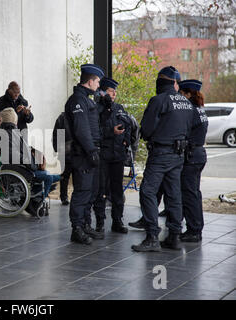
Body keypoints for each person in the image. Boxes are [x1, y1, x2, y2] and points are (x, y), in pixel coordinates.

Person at [131, 66, 194, 252]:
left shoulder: (158, 100)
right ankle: (174, 237)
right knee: (174, 195)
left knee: (148, 192)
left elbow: (147, 129)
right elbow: (190, 128)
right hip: (178, 155)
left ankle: (152, 236)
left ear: (161, 82)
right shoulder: (185, 102)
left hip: (160, 153)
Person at [65, 64, 105, 245]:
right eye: (97, 81)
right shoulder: (77, 101)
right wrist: (90, 151)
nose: (98, 85)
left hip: (91, 151)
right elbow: (81, 130)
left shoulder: (87, 100)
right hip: (83, 154)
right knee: (82, 191)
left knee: (92, 191)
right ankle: (77, 228)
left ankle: (86, 224)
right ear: (90, 81)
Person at [93, 77, 132, 234]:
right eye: (111, 91)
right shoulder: (96, 109)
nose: (114, 93)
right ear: (103, 92)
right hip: (103, 155)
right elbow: (95, 132)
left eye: (115, 91)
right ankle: (100, 222)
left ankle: (117, 221)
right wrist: (111, 132)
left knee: (117, 190)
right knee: (101, 190)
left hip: (118, 156)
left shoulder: (119, 108)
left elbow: (129, 126)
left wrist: (126, 142)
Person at [178, 79, 208, 242]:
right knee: (194, 193)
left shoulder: (190, 111)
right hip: (198, 154)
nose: (180, 96)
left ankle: (194, 230)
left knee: (189, 194)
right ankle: (195, 228)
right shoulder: (200, 109)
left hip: (191, 156)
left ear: (188, 94)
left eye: (182, 93)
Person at [52, 111, 73, 205]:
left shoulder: (82, 115)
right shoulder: (62, 117)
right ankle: (64, 197)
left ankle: (77, 197)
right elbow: (56, 134)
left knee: (78, 176)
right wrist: (58, 149)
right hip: (65, 152)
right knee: (65, 175)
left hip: (79, 152)